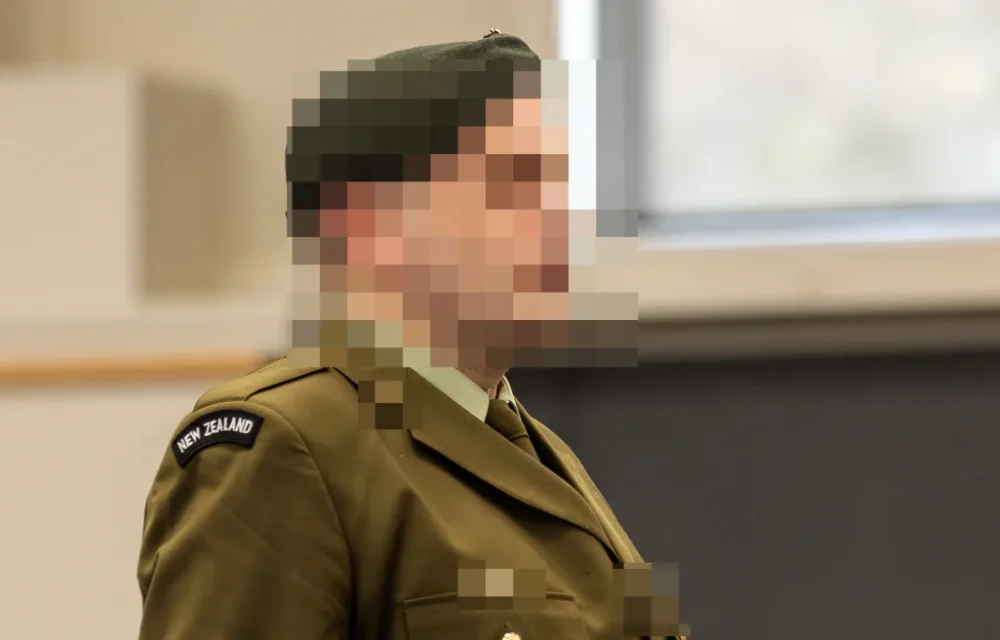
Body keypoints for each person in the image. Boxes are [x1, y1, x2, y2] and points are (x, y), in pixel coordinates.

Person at [137, 31, 685, 639]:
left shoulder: (539, 454)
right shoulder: (284, 449)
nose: (560, 223)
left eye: (560, 189)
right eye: (513, 187)